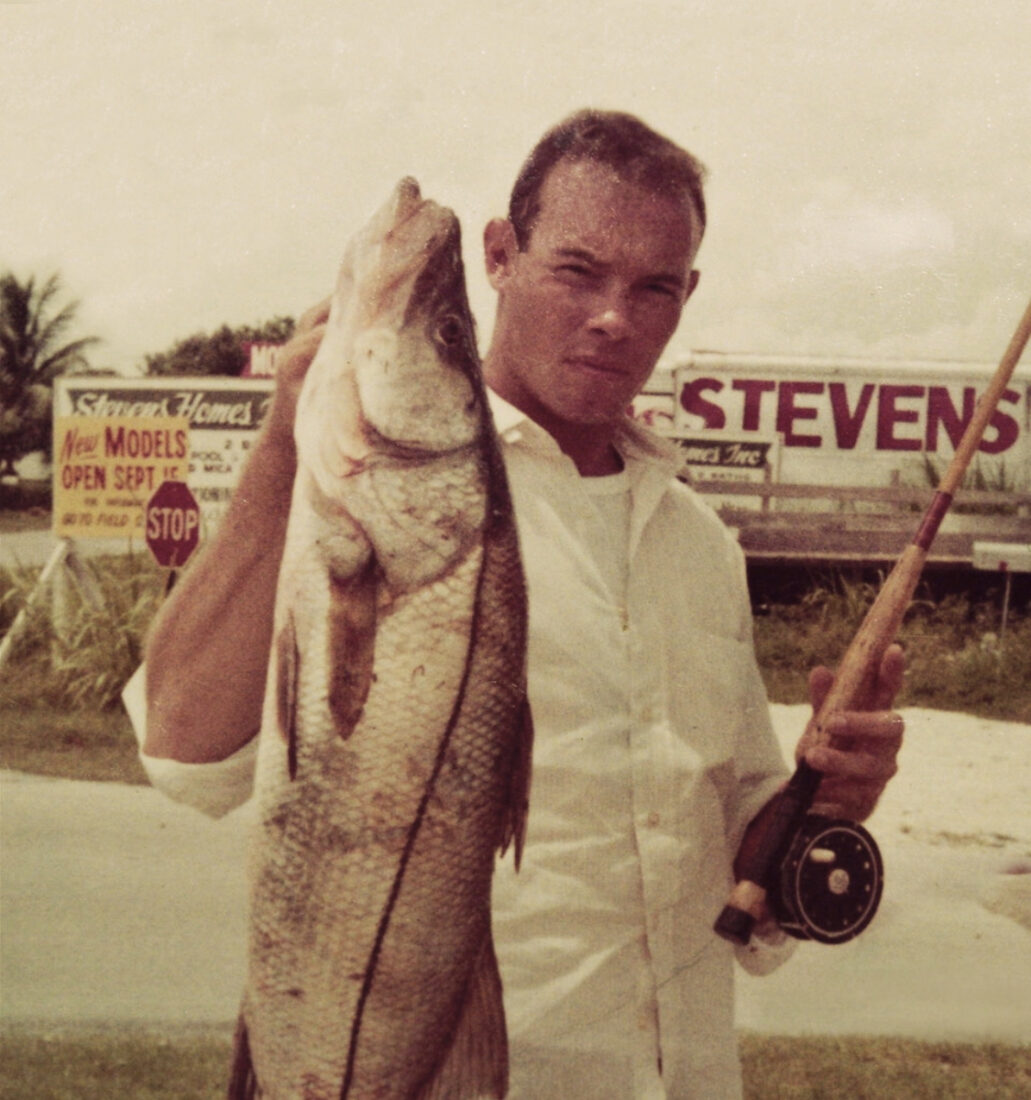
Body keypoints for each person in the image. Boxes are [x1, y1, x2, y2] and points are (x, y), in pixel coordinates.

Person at [127, 109, 905, 1098]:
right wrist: (286, 442)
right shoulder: (369, 497)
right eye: (577, 270)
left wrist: (826, 794)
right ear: (501, 253)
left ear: (685, 297)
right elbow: (184, 754)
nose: (614, 315)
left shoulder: (697, 544)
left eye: (652, 286)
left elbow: (736, 843)